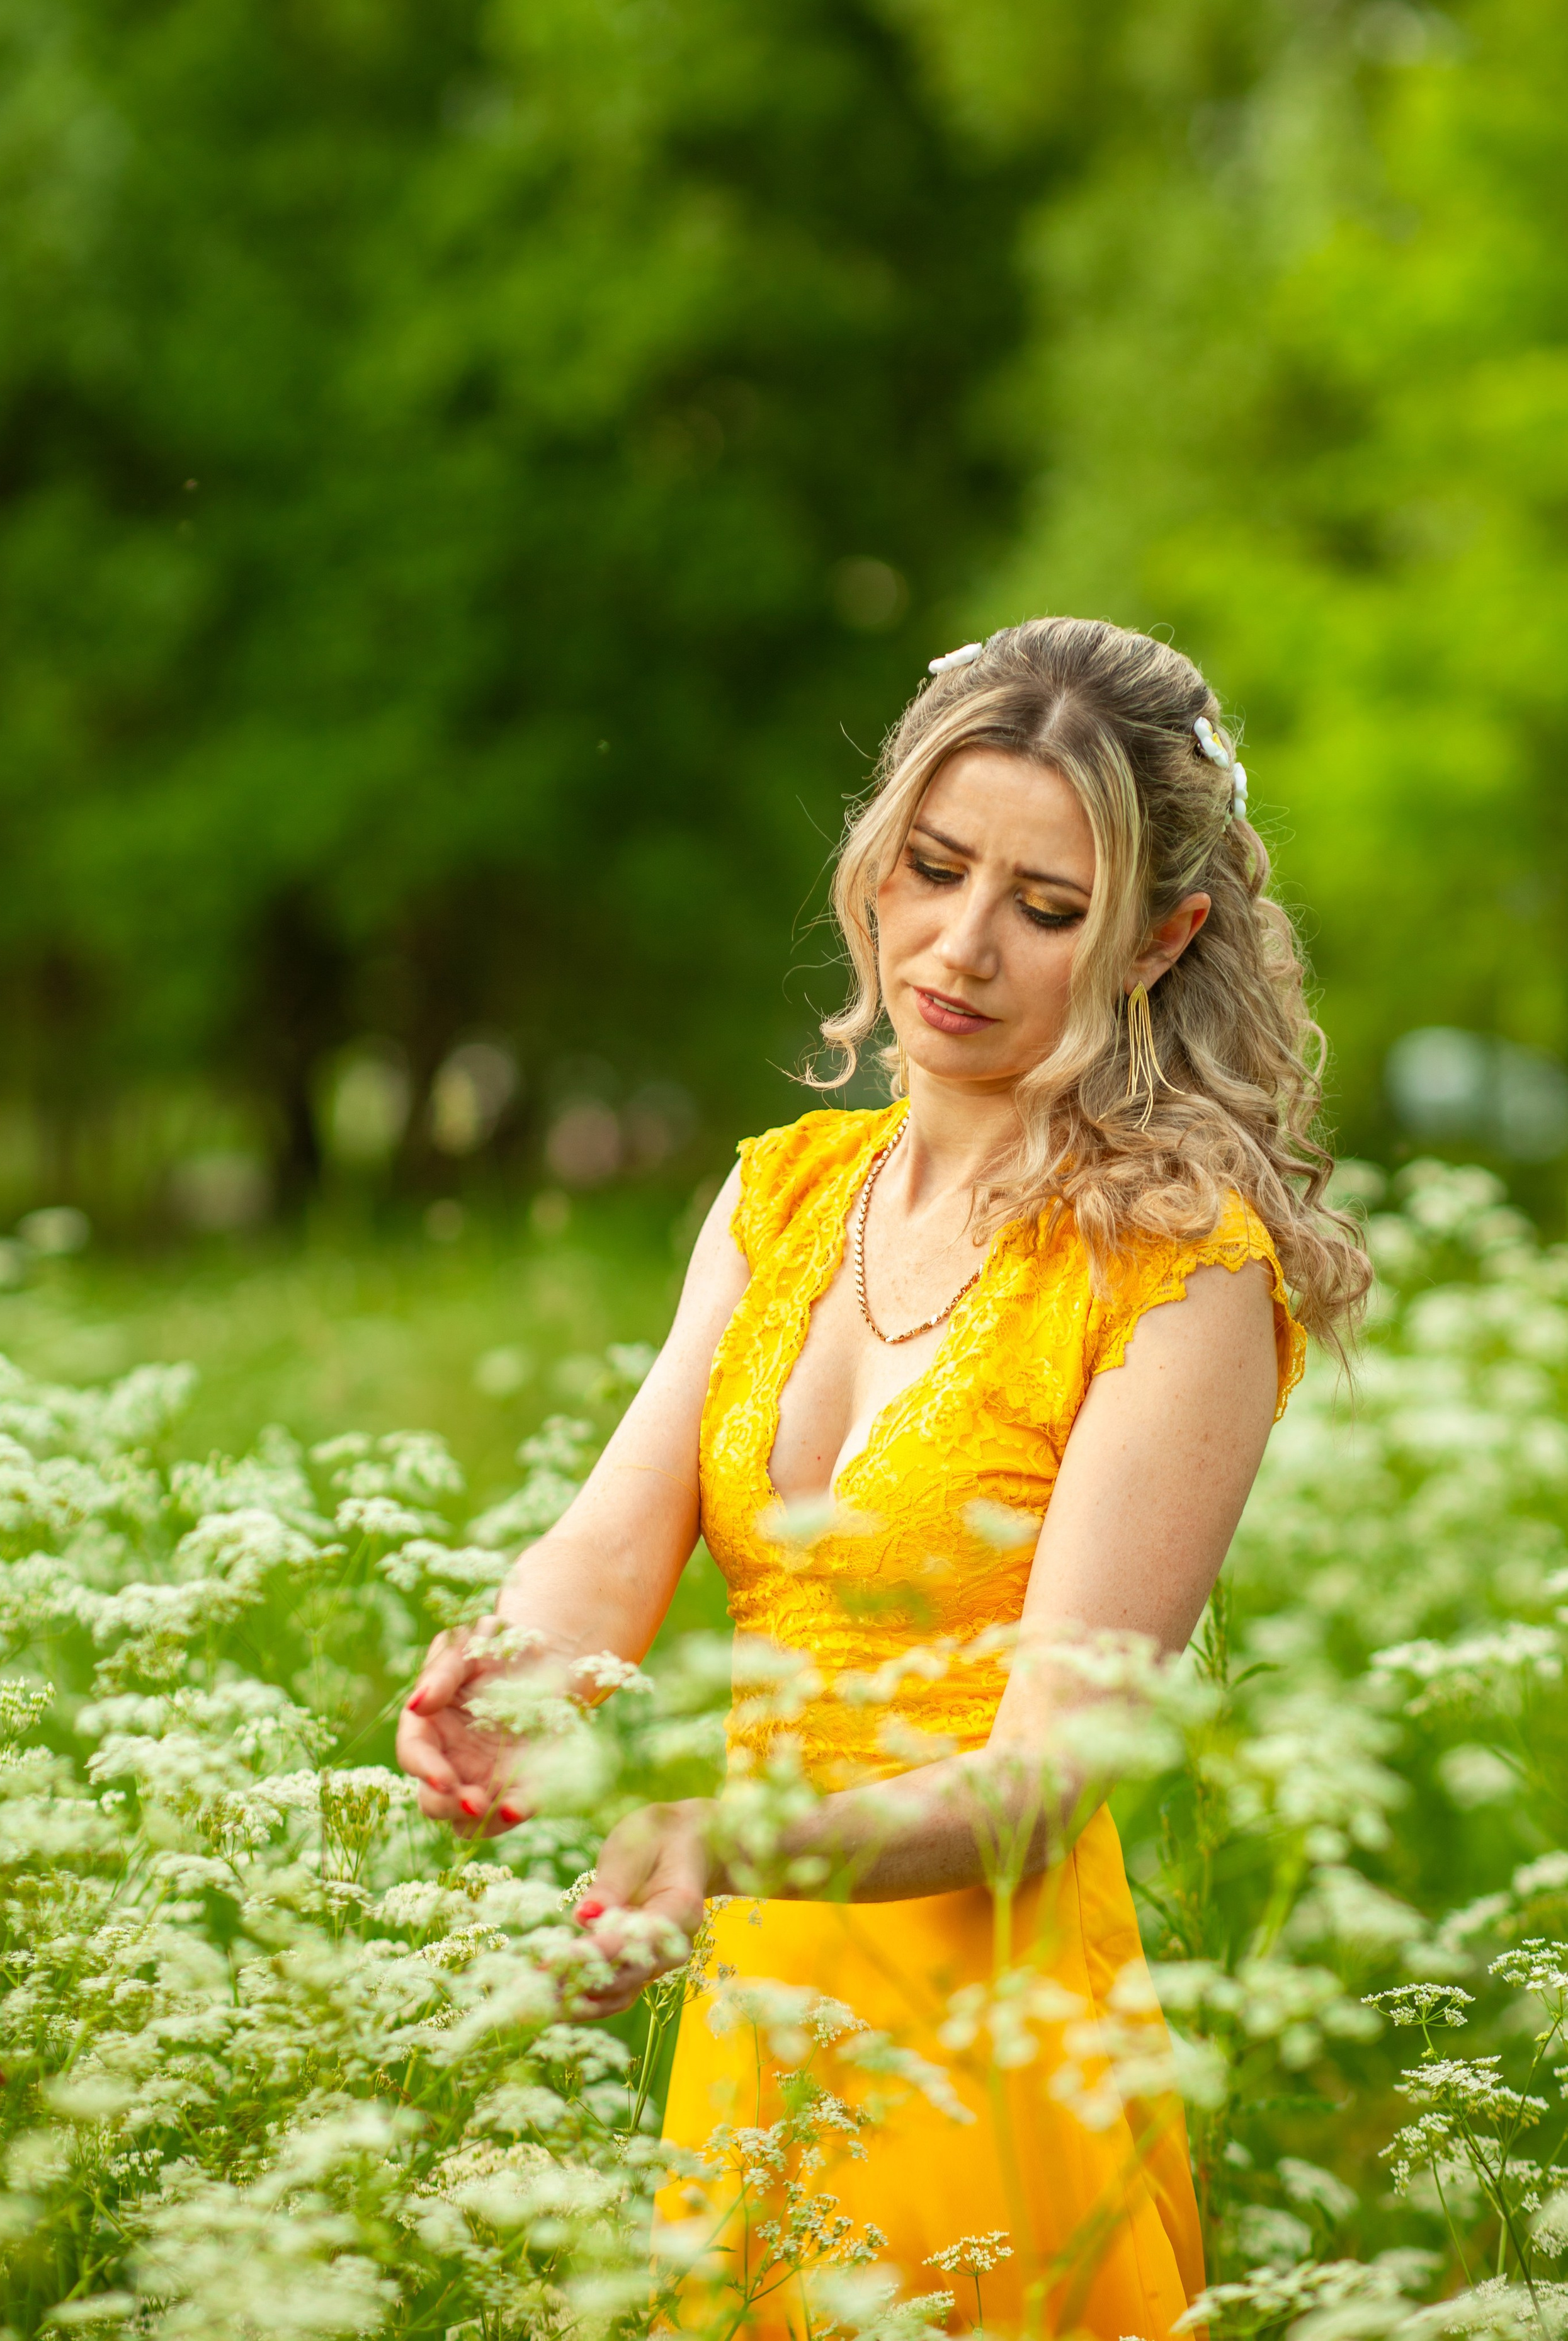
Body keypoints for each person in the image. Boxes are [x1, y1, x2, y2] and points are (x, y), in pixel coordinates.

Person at [397, 618, 1370, 2338]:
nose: (964, 946)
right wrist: (497, 1666)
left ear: (1160, 939)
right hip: (759, 2041)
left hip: (989, 2083)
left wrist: (730, 1839)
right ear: (879, 856)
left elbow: (1044, 1789)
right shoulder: (783, 1196)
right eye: (935, 868)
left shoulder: (1182, 1274)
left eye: (1048, 909)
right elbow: (615, 1546)